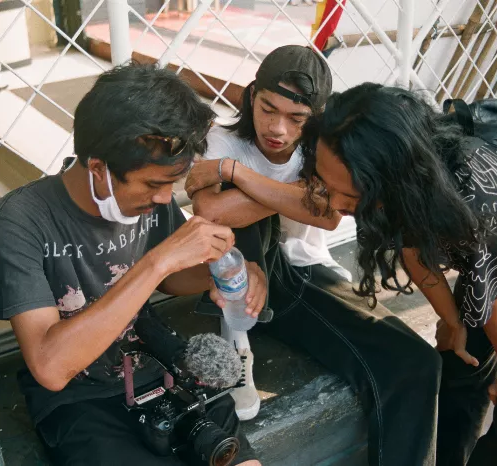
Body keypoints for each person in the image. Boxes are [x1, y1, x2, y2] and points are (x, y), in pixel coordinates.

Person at [0, 64, 264, 466]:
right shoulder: (22, 219)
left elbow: (174, 281)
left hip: (161, 363)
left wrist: (222, 274)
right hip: (83, 396)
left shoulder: (150, 199)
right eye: (153, 185)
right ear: (98, 168)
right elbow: (49, 365)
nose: (164, 197)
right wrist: (157, 261)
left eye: (171, 183)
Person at [185, 45, 442, 466]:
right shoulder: (223, 140)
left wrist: (236, 176)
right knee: (236, 227)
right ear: (252, 97)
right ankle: (236, 350)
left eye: (296, 119)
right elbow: (211, 211)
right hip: (243, 274)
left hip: (305, 270)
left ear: (315, 117)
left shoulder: (320, 150)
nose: (278, 129)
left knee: (418, 363)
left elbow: (324, 215)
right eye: (268, 108)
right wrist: (297, 196)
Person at [305, 82, 497, 466]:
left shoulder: (474, 199)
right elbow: (413, 248)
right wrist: (452, 319)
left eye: (350, 196)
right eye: (327, 185)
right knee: (459, 370)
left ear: (391, 177)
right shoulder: (409, 178)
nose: (335, 204)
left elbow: (490, 295)